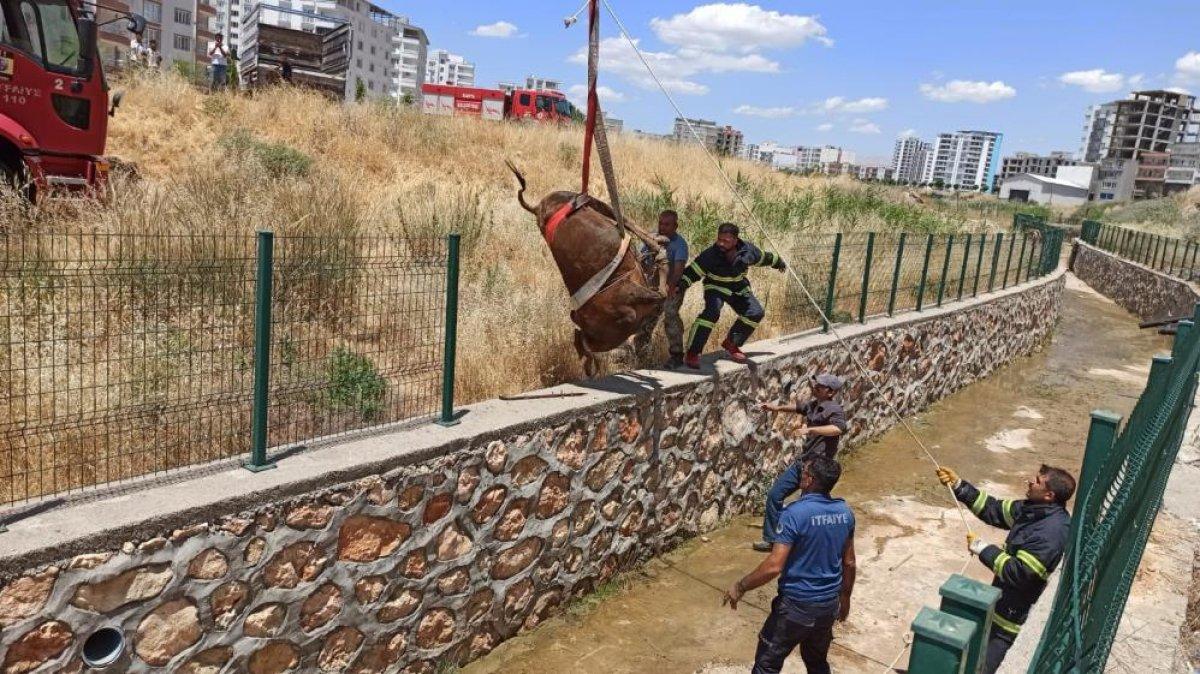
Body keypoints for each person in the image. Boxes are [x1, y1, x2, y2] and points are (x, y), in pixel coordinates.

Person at [935, 464, 1074, 674]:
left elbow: (1019, 573)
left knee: (982, 668)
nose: (1030, 481)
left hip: (1010, 622)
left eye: (1037, 481)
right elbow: (994, 510)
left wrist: (983, 549)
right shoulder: (1034, 510)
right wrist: (959, 486)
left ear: (1049, 495)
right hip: (1000, 605)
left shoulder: (1050, 532)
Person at [723, 455, 856, 674]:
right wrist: (845, 600)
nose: (800, 474)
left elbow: (774, 566)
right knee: (817, 662)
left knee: (766, 664)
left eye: (804, 471)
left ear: (810, 480)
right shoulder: (845, 513)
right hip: (828, 606)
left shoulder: (794, 514)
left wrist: (741, 586)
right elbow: (849, 562)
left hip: (795, 607)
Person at [755, 373, 847, 552]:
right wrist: (776, 408)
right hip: (803, 463)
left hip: (818, 468)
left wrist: (810, 430)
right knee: (775, 494)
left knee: (808, 506)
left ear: (830, 392)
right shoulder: (814, 405)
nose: (815, 387)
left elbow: (838, 428)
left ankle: (808, 543)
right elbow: (798, 407)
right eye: (816, 384)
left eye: (820, 386)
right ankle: (771, 539)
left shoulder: (834, 409)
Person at [676, 222, 786, 369]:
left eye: (726, 241)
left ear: (735, 240)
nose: (721, 243)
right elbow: (693, 272)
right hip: (716, 287)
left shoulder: (748, 251)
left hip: (738, 288)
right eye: (719, 239)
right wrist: (681, 284)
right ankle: (692, 353)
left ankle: (732, 343)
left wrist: (778, 262)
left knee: (756, 313)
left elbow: (763, 257)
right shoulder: (710, 255)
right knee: (711, 313)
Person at [633, 209, 689, 368]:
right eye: (660, 223)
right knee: (645, 321)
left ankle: (676, 355)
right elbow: (640, 261)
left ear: (675, 226)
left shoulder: (680, 244)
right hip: (652, 287)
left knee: (670, 316)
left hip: (672, 287)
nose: (662, 227)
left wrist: (669, 288)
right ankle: (643, 358)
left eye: (667, 224)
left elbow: (678, 270)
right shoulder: (651, 238)